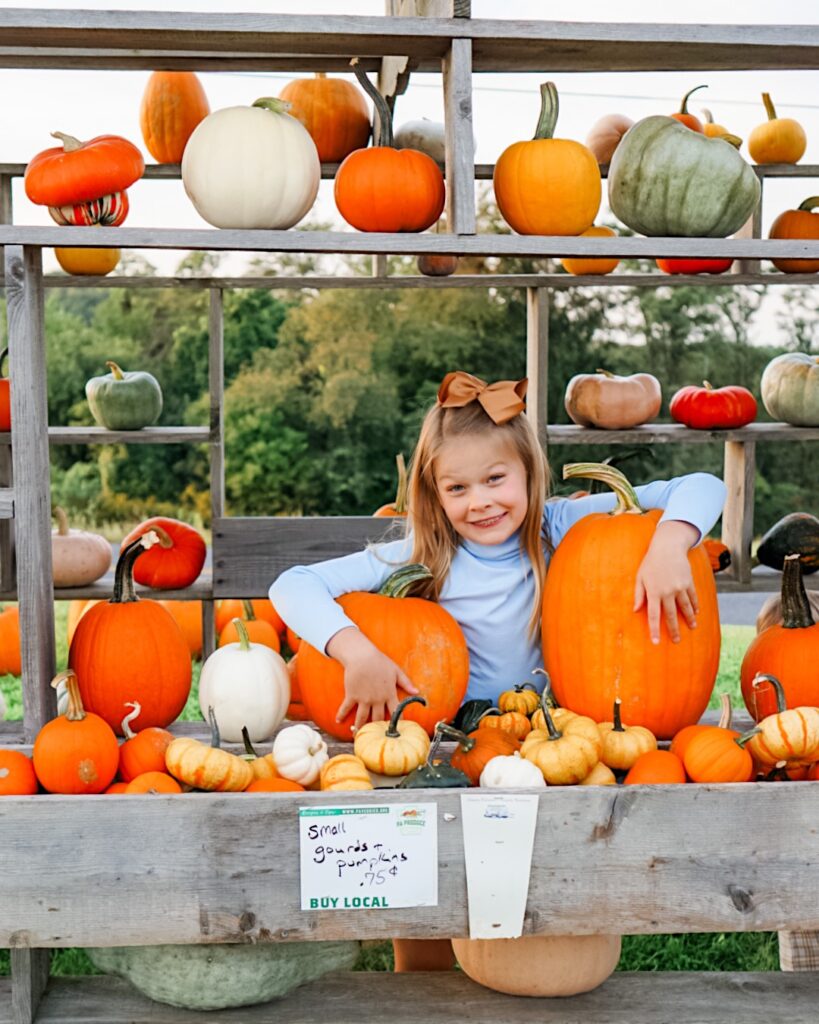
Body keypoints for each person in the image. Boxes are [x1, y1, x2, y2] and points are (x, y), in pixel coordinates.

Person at [269, 369, 727, 972]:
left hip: (549, 739)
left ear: (530, 474)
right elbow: (292, 584)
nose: (479, 501)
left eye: (495, 479)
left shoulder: (556, 527)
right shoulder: (423, 552)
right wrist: (354, 650)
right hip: (449, 741)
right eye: (457, 488)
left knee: (542, 881)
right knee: (427, 865)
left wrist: (670, 543)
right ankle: (424, 981)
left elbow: (702, 483)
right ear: (434, 494)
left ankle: (539, 968)